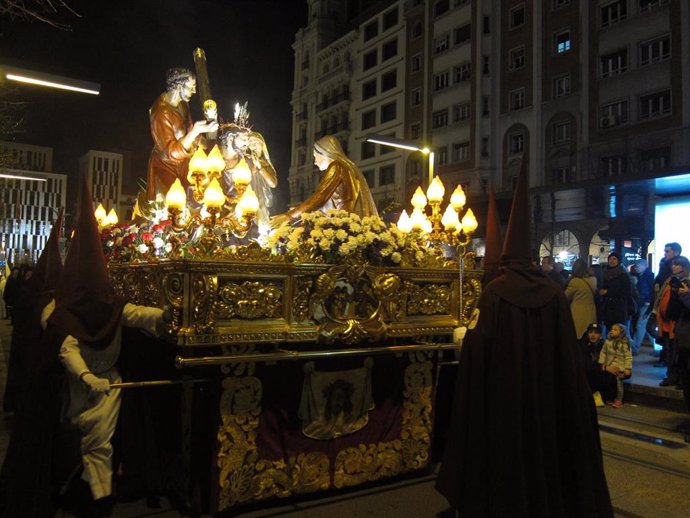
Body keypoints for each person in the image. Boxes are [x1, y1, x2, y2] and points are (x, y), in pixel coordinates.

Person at [435, 159, 612, 517]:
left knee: (510, 457)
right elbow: (566, 356)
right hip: (549, 396)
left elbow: (477, 351)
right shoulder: (553, 292)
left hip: (505, 399)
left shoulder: (495, 293)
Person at [46, 178, 166, 517]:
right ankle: (81, 489)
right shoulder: (63, 314)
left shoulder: (113, 307)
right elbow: (67, 348)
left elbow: (137, 315)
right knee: (80, 438)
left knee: (99, 443)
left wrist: (168, 315)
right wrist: (84, 377)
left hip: (109, 383)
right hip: (80, 386)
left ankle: (100, 501)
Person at [271, 135, 378, 227]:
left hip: (338, 225)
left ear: (325, 153)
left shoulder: (336, 167)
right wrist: (300, 211)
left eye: (315, 156)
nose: (315, 162)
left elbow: (320, 197)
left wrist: (289, 216)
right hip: (342, 222)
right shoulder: (346, 167)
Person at [146, 68, 218, 200]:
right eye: (191, 87)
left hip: (185, 164)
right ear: (179, 86)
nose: (194, 91)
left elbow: (190, 132)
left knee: (198, 199)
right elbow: (171, 151)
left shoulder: (183, 105)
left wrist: (209, 143)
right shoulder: (160, 112)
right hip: (166, 167)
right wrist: (196, 131)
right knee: (174, 208)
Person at [653, 255, 690, 388]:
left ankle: (679, 378)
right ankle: (673, 376)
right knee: (671, 351)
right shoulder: (671, 280)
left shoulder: (686, 282)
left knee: (679, 354)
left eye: (677, 264)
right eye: (673, 264)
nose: (673, 266)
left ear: (683, 266)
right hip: (669, 321)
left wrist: (684, 294)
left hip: (681, 324)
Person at [579, 323, 617, 406]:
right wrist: (605, 367)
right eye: (591, 332)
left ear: (600, 335)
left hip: (597, 374)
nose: (593, 335)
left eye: (596, 333)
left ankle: (605, 397)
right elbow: (586, 366)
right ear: (587, 334)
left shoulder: (602, 344)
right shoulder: (582, 345)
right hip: (586, 376)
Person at [598, 323, 633, 408]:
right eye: (611, 329)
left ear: (621, 332)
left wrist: (627, 368)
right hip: (610, 365)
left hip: (620, 367)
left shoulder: (624, 343)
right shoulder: (608, 342)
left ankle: (618, 399)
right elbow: (603, 353)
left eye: (615, 330)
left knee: (618, 384)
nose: (612, 331)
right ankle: (610, 397)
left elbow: (628, 356)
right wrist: (601, 363)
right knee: (609, 382)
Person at [599, 251, 633, 335]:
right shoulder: (605, 273)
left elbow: (626, 292)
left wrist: (608, 292)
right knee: (609, 332)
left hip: (619, 309)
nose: (611, 261)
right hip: (608, 309)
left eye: (614, 259)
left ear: (618, 261)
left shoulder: (623, 275)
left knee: (619, 332)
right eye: (610, 259)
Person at [565, 258, 598, 339]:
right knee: (589, 335)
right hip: (591, 311)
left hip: (578, 312)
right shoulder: (593, 279)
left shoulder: (575, 281)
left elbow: (565, 296)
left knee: (578, 335)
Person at [631, 258, 654, 354]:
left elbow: (648, 290)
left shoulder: (645, 276)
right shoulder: (647, 275)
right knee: (645, 326)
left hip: (645, 304)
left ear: (644, 266)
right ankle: (657, 347)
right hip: (645, 303)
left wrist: (648, 300)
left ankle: (635, 347)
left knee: (641, 325)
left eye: (638, 266)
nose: (636, 268)